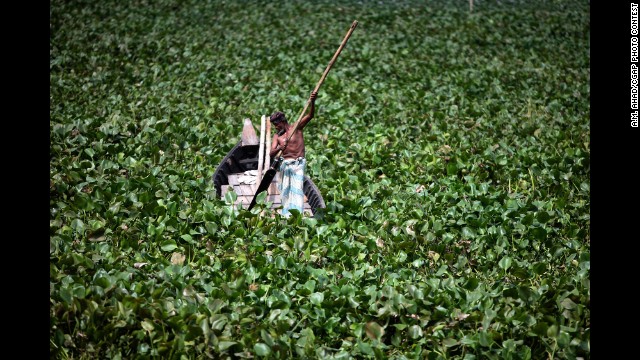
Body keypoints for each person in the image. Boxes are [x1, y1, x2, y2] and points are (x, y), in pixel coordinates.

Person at [269, 91, 318, 217]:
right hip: (285, 165)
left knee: (296, 191)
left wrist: (312, 102)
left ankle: (297, 215)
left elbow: (310, 115)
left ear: (282, 121)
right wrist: (280, 147)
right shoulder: (277, 137)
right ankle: (287, 214)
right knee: (285, 191)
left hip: (297, 165)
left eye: (276, 125)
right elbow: (271, 153)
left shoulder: (297, 128)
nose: (275, 127)